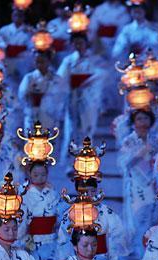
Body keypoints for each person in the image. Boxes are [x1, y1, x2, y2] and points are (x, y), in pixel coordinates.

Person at [118, 109, 158, 257]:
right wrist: (141, 152)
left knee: (152, 218)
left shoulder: (156, 140)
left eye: (146, 118)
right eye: (139, 119)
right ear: (134, 122)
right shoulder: (129, 141)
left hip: (154, 184)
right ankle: (139, 251)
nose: (143, 122)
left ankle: (150, 249)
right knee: (138, 217)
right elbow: (123, 163)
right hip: (136, 184)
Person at [57, 178, 130, 260]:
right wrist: (65, 258)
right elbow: (62, 238)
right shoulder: (70, 213)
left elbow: (118, 231)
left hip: (101, 258)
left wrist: (115, 248)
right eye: (85, 191)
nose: (90, 195)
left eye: (93, 191)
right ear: (78, 191)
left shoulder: (105, 211)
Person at [57, 32, 106, 166]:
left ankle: (87, 161)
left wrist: (89, 82)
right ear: (72, 45)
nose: (78, 45)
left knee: (88, 128)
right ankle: (69, 163)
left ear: (86, 43)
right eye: (75, 43)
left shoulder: (94, 59)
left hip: (89, 97)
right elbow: (60, 78)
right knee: (71, 129)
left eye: (81, 42)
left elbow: (102, 74)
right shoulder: (68, 60)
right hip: (72, 96)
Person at [18, 161, 65, 260]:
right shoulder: (25, 195)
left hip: (51, 238)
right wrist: (22, 237)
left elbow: (60, 216)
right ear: (29, 174)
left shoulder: (53, 193)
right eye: (36, 175)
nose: (40, 178)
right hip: (33, 239)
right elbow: (22, 220)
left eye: (43, 175)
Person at [18, 50, 65, 130]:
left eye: (42, 62)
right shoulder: (29, 78)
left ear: (49, 62)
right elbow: (22, 96)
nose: (39, 65)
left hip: (50, 116)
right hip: (33, 115)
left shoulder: (57, 79)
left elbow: (62, 98)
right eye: (37, 62)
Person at [0, 8, 33, 91]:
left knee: (23, 83)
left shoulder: (29, 30)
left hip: (23, 61)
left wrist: (21, 54)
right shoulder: (4, 30)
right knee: (8, 83)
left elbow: (32, 47)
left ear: (24, 17)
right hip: (7, 59)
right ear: (12, 16)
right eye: (15, 15)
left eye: (20, 16)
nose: (17, 18)